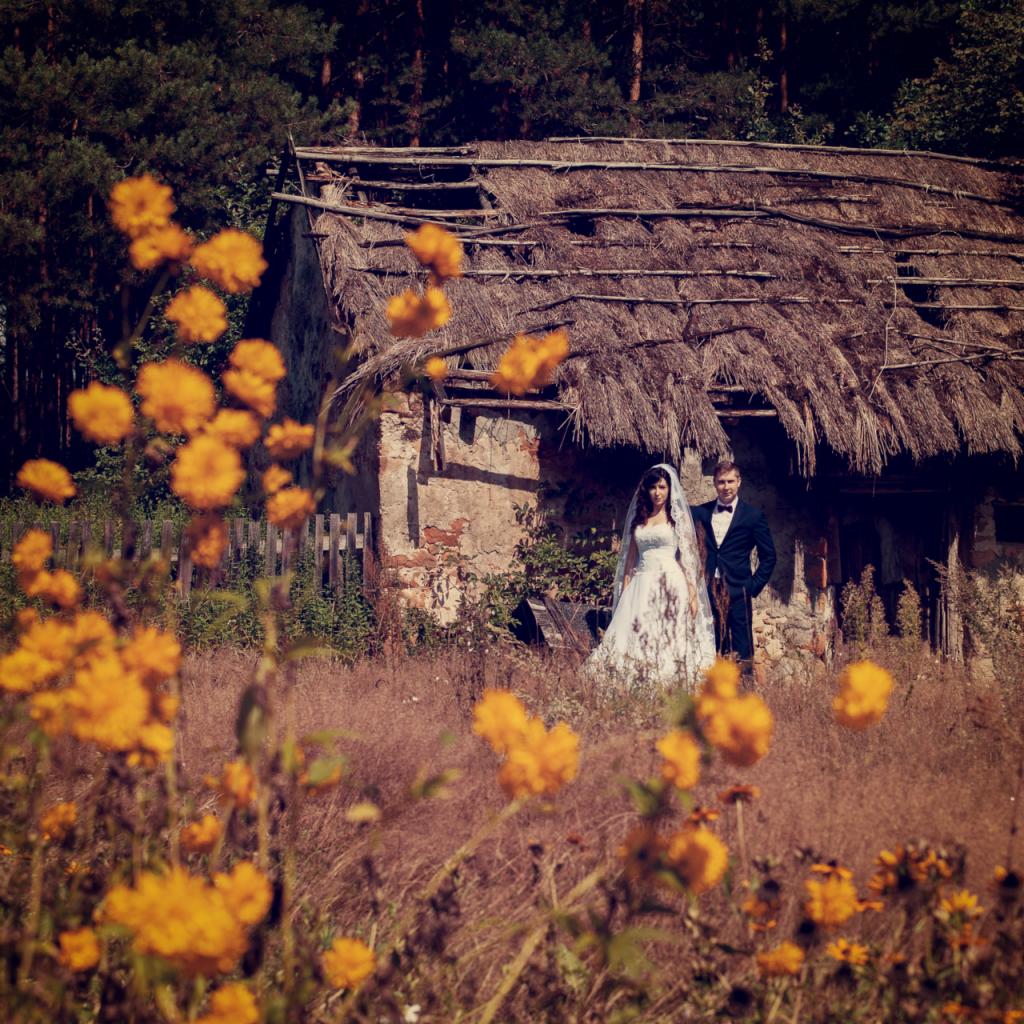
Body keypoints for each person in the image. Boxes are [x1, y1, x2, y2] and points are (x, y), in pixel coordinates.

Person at [587, 464, 717, 689]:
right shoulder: (640, 519)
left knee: (667, 635)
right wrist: (625, 590)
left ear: (669, 489)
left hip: (670, 582)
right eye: (653, 487)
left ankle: (669, 686)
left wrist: (693, 594)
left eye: (662, 487)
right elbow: (629, 560)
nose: (658, 492)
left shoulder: (677, 520)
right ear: (646, 490)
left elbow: (686, 560)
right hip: (641, 583)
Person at [690, 461, 776, 674]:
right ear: (714, 484)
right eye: (721, 482)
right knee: (711, 648)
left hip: (739, 592)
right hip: (707, 592)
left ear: (739, 482)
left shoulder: (753, 516)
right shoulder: (699, 513)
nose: (726, 486)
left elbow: (769, 557)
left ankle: (745, 695)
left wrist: (752, 587)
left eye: (730, 481)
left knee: (742, 650)